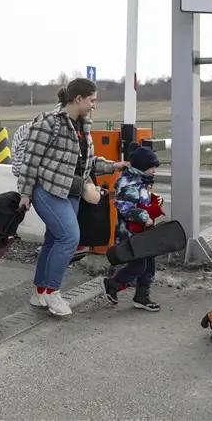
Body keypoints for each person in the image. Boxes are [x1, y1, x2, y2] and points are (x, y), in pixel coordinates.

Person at [17, 78, 127, 316]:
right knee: (69, 238)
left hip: (72, 191)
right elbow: (30, 161)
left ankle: (40, 292)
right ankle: (53, 293)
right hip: (48, 190)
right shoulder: (48, 122)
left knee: (53, 241)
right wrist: (25, 193)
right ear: (78, 99)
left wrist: (113, 166)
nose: (94, 105)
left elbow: (86, 164)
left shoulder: (83, 125)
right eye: (92, 100)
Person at [102, 145, 164, 312]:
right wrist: (144, 216)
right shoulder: (128, 183)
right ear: (143, 167)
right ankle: (113, 284)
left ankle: (142, 297)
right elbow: (124, 206)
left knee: (149, 264)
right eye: (152, 167)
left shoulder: (143, 181)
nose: (154, 171)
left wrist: (155, 203)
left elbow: (143, 202)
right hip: (131, 233)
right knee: (138, 266)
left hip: (144, 232)